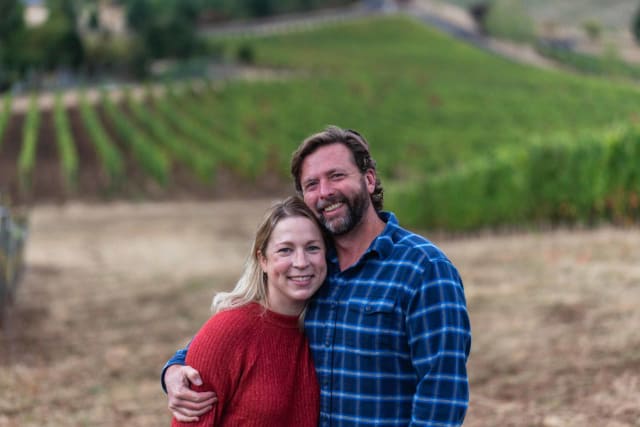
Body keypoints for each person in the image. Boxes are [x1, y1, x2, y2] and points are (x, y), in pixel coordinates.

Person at [163, 126, 472, 426]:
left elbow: (441, 397)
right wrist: (175, 369)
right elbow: (242, 332)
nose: (325, 192)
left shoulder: (423, 268)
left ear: (369, 179)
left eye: (336, 176)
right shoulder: (314, 267)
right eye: (311, 184)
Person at [170, 196, 328, 426]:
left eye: (312, 247)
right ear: (262, 260)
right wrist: (171, 369)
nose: (301, 261)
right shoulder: (227, 330)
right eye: (285, 250)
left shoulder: (328, 325)